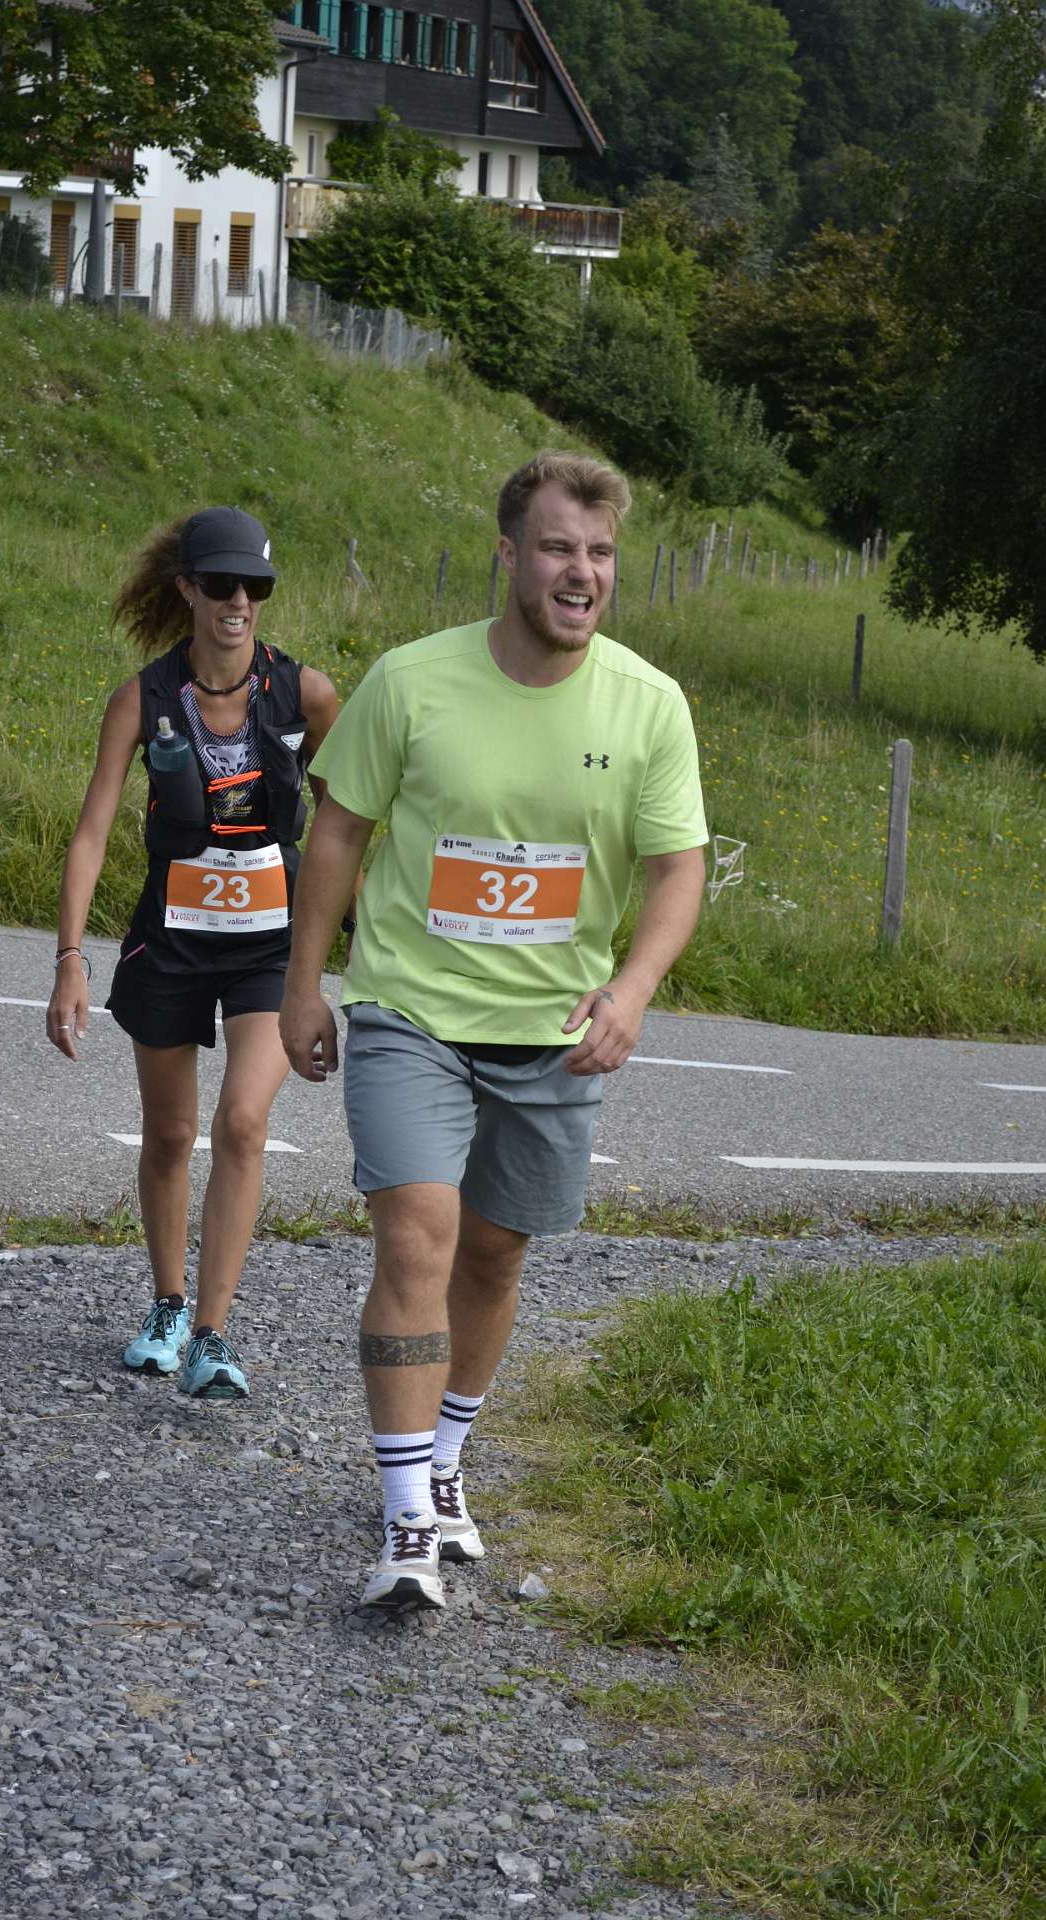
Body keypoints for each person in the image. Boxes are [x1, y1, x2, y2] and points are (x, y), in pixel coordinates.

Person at [280, 451, 707, 1609]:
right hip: (410, 1007)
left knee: (492, 1252)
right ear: (509, 555)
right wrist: (303, 984)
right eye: (559, 547)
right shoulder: (410, 681)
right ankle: (404, 1517)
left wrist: (631, 990)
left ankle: (446, 1456)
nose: (581, 572)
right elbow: (338, 833)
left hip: (552, 1028)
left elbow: (676, 869)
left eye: (600, 553)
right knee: (417, 1238)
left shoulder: (647, 704)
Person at [49, 506, 344, 1400]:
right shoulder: (142, 698)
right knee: (172, 1133)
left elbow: (349, 824)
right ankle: (169, 1306)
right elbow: (91, 832)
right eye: (220, 585)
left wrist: (356, 945)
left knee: (243, 1122)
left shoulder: (308, 695)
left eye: (254, 587)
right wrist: (70, 957)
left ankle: (214, 1331)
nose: (238, 602)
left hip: (269, 948)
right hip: (171, 937)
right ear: (187, 589)